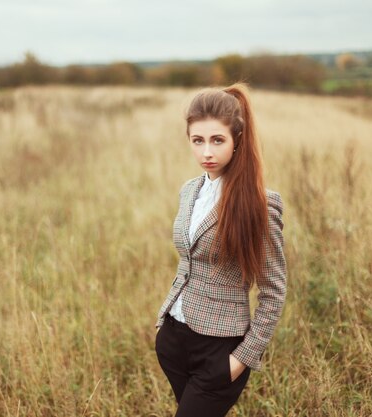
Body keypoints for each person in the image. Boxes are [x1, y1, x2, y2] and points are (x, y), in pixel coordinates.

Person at [154, 82, 288, 417]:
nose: (206, 153)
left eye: (217, 140)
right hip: (173, 340)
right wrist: (163, 326)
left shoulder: (259, 204)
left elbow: (274, 292)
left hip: (219, 352)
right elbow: (188, 262)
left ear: (237, 139)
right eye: (197, 141)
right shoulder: (190, 191)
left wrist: (240, 360)